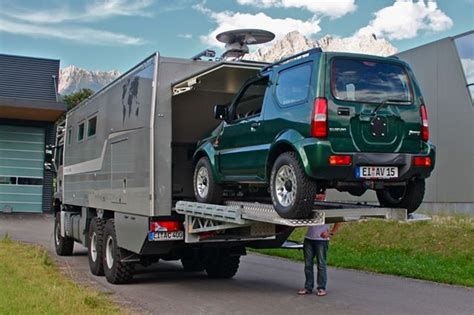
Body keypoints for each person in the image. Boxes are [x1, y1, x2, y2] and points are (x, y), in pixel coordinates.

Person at [298, 194, 341, 297]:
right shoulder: (311, 204)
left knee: (321, 265)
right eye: (316, 195)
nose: (318, 196)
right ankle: (308, 287)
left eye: (320, 194)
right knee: (308, 265)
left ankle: (321, 287)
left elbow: (338, 220)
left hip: (321, 240)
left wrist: (331, 233)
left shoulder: (328, 206)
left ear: (324, 194)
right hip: (309, 238)